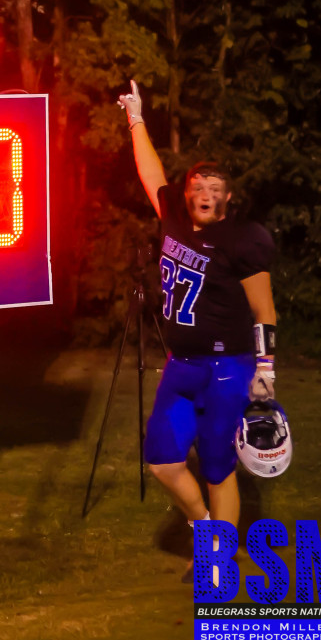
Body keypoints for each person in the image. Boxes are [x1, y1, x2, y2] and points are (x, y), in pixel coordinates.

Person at [118, 80, 277, 576]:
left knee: (215, 466)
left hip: (227, 368)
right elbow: (150, 173)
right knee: (163, 461)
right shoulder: (173, 217)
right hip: (181, 365)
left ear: (228, 197)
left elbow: (265, 311)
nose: (205, 195)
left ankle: (218, 560)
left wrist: (266, 367)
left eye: (214, 189)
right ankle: (206, 528)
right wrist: (136, 119)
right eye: (198, 187)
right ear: (186, 193)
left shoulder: (241, 239)